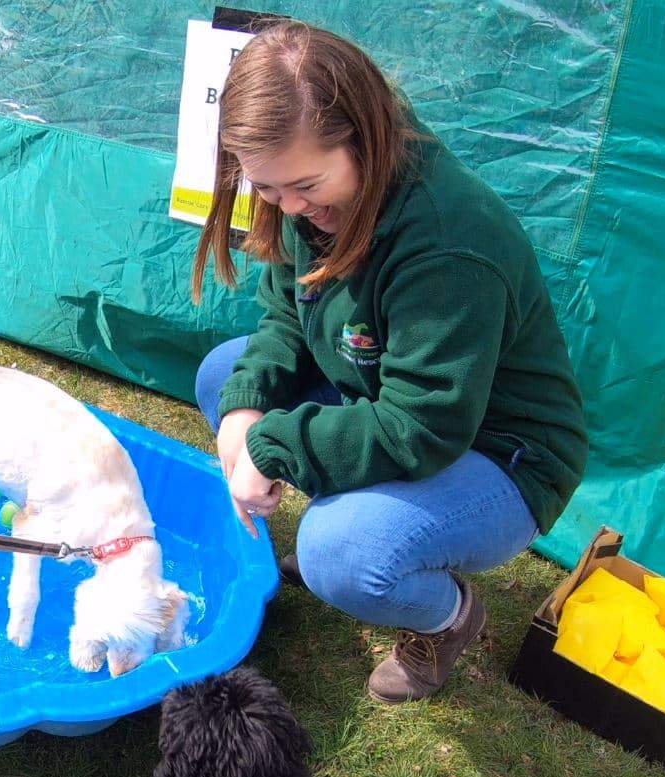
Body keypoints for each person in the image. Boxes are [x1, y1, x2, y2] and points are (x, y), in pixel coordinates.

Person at [192, 20, 588, 704]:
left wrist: (277, 443)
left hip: (500, 452)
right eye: (267, 189)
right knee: (226, 377)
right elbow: (290, 314)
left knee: (339, 554)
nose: (288, 208)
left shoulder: (446, 243)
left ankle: (445, 616)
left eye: (304, 186)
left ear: (360, 139)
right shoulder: (314, 192)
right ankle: (361, 515)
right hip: (385, 395)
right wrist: (246, 410)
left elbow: (425, 426)